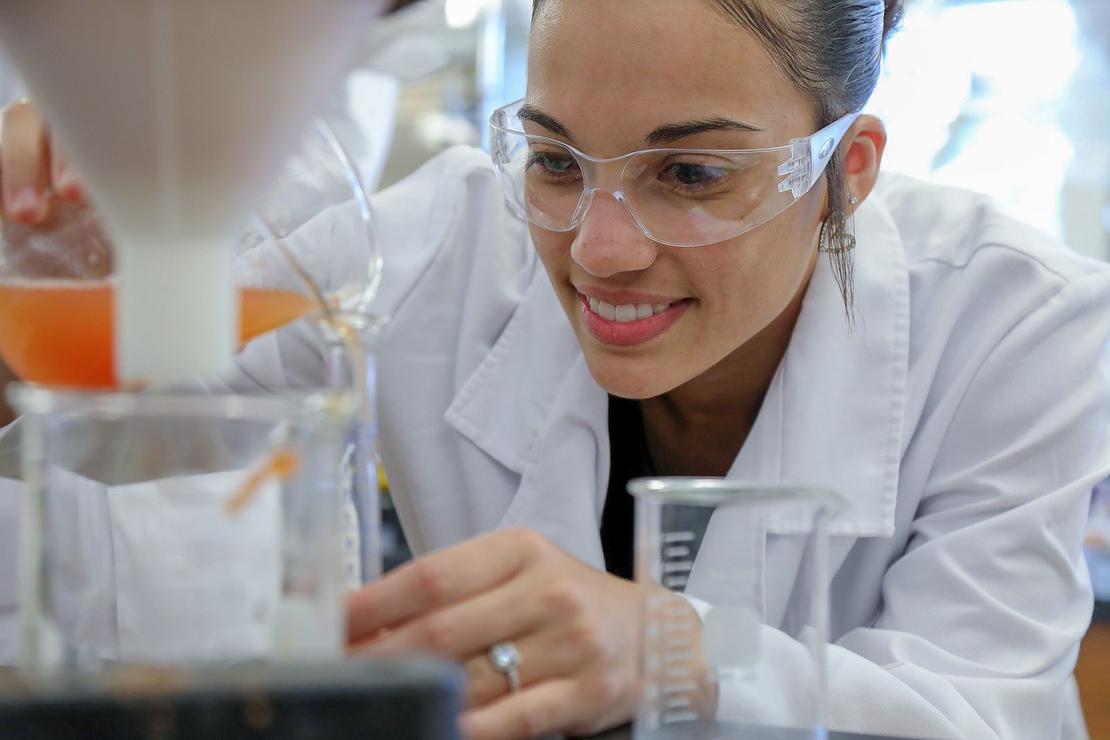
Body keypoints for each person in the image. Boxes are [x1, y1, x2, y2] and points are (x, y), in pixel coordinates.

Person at [2, 0, 1108, 738]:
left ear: (846, 170)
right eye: (555, 159)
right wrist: (61, 246)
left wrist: (681, 650)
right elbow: (104, 424)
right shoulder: (440, 238)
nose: (599, 247)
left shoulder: (1023, 323)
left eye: (689, 170)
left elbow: (986, 707)